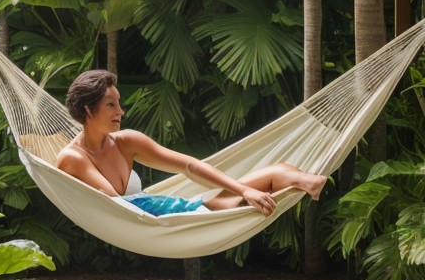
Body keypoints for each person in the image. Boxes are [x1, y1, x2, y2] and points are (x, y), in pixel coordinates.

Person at [56, 69, 327, 217]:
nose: (121, 111)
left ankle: (305, 182)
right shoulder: (74, 158)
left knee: (265, 183)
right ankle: (305, 183)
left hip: (174, 212)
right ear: (88, 111)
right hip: (157, 223)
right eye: (111, 105)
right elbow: (115, 206)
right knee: (270, 178)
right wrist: (245, 191)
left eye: (119, 103)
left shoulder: (126, 141)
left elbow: (189, 166)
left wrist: (244, 190)